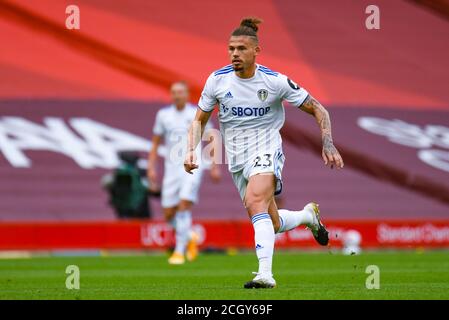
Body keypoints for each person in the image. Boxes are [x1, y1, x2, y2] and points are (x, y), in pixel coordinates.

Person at [184, 18, 344, 288]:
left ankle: (265, 274)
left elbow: (318, 107)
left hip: (266, 148)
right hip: (236, 158)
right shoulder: (217, 80)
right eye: (231, 49)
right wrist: (190, 150)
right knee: (271, 221)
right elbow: (199, 119)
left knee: (255, 202)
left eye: (241, 49)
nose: (235, 54)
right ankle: (308, 216)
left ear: (256, 51)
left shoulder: (274, 82)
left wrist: (327, 142)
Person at [148, 81, 221, 265]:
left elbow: (211, 136)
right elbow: (156, 142)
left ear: (187, 94)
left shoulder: (196, 113)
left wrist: (214, 165)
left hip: (194, 166)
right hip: (171, 169)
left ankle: (179, 251)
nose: (177, 95)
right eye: (174, 92)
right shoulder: (163, 115)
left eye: (180, 92)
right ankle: (190, 236)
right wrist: (151, 167)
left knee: (183, 205)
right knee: (168, 213)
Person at [102, 151, 160, 219]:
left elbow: (155, 191)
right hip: (124, 212)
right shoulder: (120, 172)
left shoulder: (140, 172)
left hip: (140, 212)